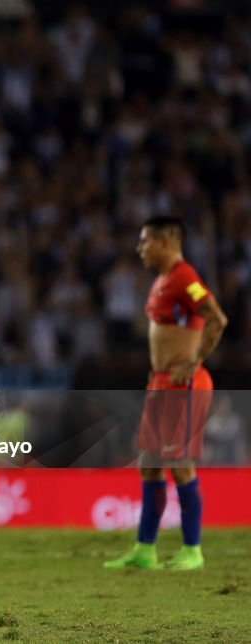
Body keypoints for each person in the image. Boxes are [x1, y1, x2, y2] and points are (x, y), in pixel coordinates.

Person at [104, 216, 228, 571]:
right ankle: (145, 550)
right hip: (161, 383)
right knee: (150, 465)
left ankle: (192, 550)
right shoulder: (163, 281)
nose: (139, 248)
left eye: (145, 241)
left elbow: (217, 319)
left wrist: (195, 361)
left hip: (182, 384)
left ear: (165, 241)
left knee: (179, 465)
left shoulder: (185, 276)